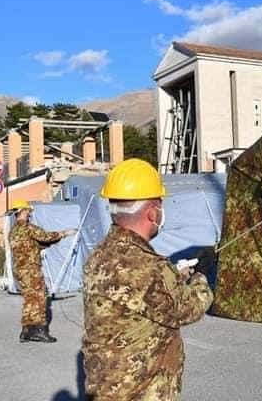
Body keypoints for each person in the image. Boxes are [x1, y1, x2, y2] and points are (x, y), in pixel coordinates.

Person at [82, 158, 213, 400]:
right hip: (140, 390)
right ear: (152, 212)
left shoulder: (99, 256)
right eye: (161, 205)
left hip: (104, 385)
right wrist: (202, 277)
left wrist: (177, 274)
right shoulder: (149, 267)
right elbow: (189, 308)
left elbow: (140, 295)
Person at [8, 199, 75, 343]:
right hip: (30, 269)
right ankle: (39, 329)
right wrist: (64, 233)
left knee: (29, 299)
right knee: (39, 298)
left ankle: (26, 330)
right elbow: (45, 237)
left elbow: (33, 245)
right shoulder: (28, 228)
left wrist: (46, 245)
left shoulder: (13, 232)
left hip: (19, 270)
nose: (29, 215)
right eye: (28, 212)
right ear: (22, 212)